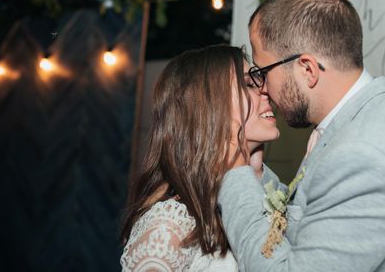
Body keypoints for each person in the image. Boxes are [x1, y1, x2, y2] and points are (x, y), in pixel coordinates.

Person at [217, 0, 385, 271]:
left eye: (263, 72)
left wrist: (235, 171)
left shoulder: (367, 156)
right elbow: (315, 218)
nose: (264, 90)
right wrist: (257, 174)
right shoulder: (356, 125)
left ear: (307, 69)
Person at [120, 45, 280, 271]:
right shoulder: (169, 224)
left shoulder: (255, 195)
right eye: (248, 83)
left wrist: (253, 171)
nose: (266, 91)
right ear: (211, 107)